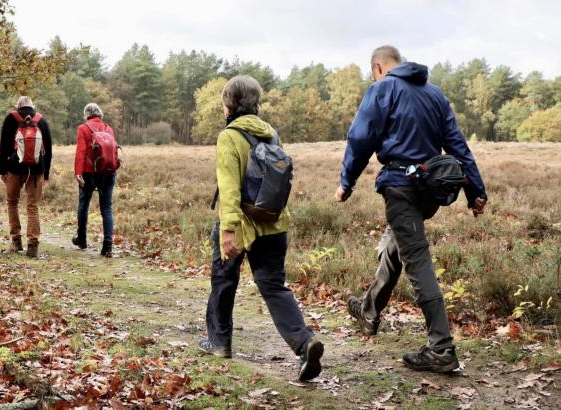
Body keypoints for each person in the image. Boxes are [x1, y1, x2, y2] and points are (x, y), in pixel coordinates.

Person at [334, 46, 487, 373]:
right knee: (396, 247)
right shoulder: (435, 94)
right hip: (431, 190)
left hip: (401, 189)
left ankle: (441, 347)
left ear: (377, 68)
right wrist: (476, 190)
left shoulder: (382, 88)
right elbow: (458, 145)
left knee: (416, 260)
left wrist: (346, 182)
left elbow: (361, 138)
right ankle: (369, 311)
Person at [199, 75, 324, 382]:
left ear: (229, 103)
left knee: (224, 280)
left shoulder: (229, 136)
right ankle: (304, 342)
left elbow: (229, 188)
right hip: (274, 222)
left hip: (241, 224)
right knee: (273, 286)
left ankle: (219, 342)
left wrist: (228, 230)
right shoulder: (271, 134)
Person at [0, 96, 52, 258]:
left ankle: (16, 241)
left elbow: (4, 146)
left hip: (14, 168)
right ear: (32, 106)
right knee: (32, 206)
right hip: (36, 170)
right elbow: (48, 150)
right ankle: (33, 246)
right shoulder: (41, 120)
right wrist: (46, 172)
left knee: (12, 202)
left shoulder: (11, 118)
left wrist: (2, 170)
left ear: (18, 106)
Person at [72, 103, 117, 257]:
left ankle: (82, 239)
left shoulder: (83, 129)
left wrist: (78, 172)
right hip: (108, 172)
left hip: (89, 172)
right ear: (100, 114)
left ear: (86, 114)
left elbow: (81, 152)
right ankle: (107, 246)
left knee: (84, 204)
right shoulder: (108, 129)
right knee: (106, 208)